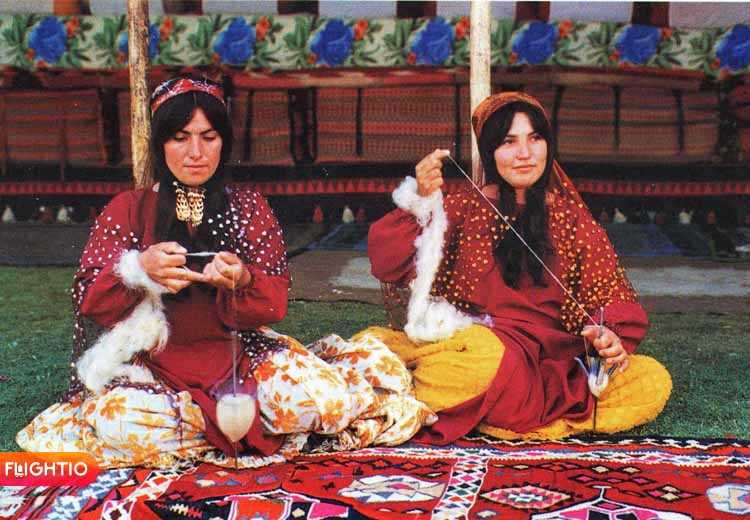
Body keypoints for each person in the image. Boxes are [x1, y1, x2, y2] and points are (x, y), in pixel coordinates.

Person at [17, 76, 434, 468]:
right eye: (180, 138)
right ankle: (233, 427)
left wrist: (244, 279)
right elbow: (90, 299)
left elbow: (274, 305)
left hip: (240, 355)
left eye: (208, 137)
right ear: (160, 143)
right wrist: (139, 269)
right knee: (121, 422)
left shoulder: (248, 207)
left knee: (321, 401)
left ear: (224, 142)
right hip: (151, 364)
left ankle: (208, 427)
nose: (195, 153)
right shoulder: (128, 208)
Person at [364, 92, 672, 443]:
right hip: (474, 350)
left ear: (548, 146)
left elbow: (610, 296)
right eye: (509, 142)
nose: (525, 153)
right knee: (484, 356)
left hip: (549, 367)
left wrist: (609, 335)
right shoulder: (461, 208)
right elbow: (387, 260)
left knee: (650, 379)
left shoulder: (574, 220)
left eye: (535, 138)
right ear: (490, 151)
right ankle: (488, 405)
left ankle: (445, 402)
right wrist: (420, 199)